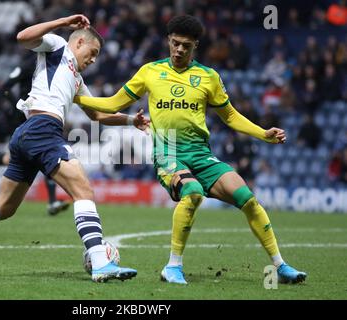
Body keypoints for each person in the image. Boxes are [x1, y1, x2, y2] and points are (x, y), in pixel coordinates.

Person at [0, 14, 149, 283]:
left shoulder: (76, 79)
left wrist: (131, 120)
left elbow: (97, 115)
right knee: (83, 190)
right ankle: (100, 264)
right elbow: (23, 37)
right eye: (92, 53)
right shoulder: (58, 46)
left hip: (26, 134)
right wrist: (63, 23)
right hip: (42, 129)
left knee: (3, 207)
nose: (93, 60)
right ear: (80, 41)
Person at [74, 15, 306, 285]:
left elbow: (229, 116)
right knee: (193, 193)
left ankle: (280, 265)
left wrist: (263, 134)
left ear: (195, 45)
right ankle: (172, 266)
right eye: (175, 43)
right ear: (168, 42)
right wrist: (76, 96)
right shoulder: (150, 72)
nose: (179, 50)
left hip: (201, 154)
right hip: (168, 153)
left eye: (186, 45)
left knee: (248, 199)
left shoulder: (208, 77)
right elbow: (114, 102)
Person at [0, 54, 69, 216]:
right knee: (44, 153)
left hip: (44, 116)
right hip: (27, 116)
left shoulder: (54, 68)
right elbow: (5, 87)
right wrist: (18, 106)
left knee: (48, 153)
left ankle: (52, 202)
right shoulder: (29, 65)